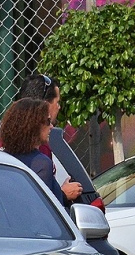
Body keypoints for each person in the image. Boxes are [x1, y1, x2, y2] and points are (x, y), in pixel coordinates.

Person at [13, 72, 83, 204]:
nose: (59, 107)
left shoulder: (6, 142)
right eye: (57, 102)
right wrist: (63, 194)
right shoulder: (39, 150)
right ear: (45, 105)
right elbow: (38, 204)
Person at [0, 97, 62, 206]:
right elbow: (42, 209)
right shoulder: (42, 164)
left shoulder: (2, 159)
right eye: (48, 121)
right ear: (33, 125)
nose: (51, 126)